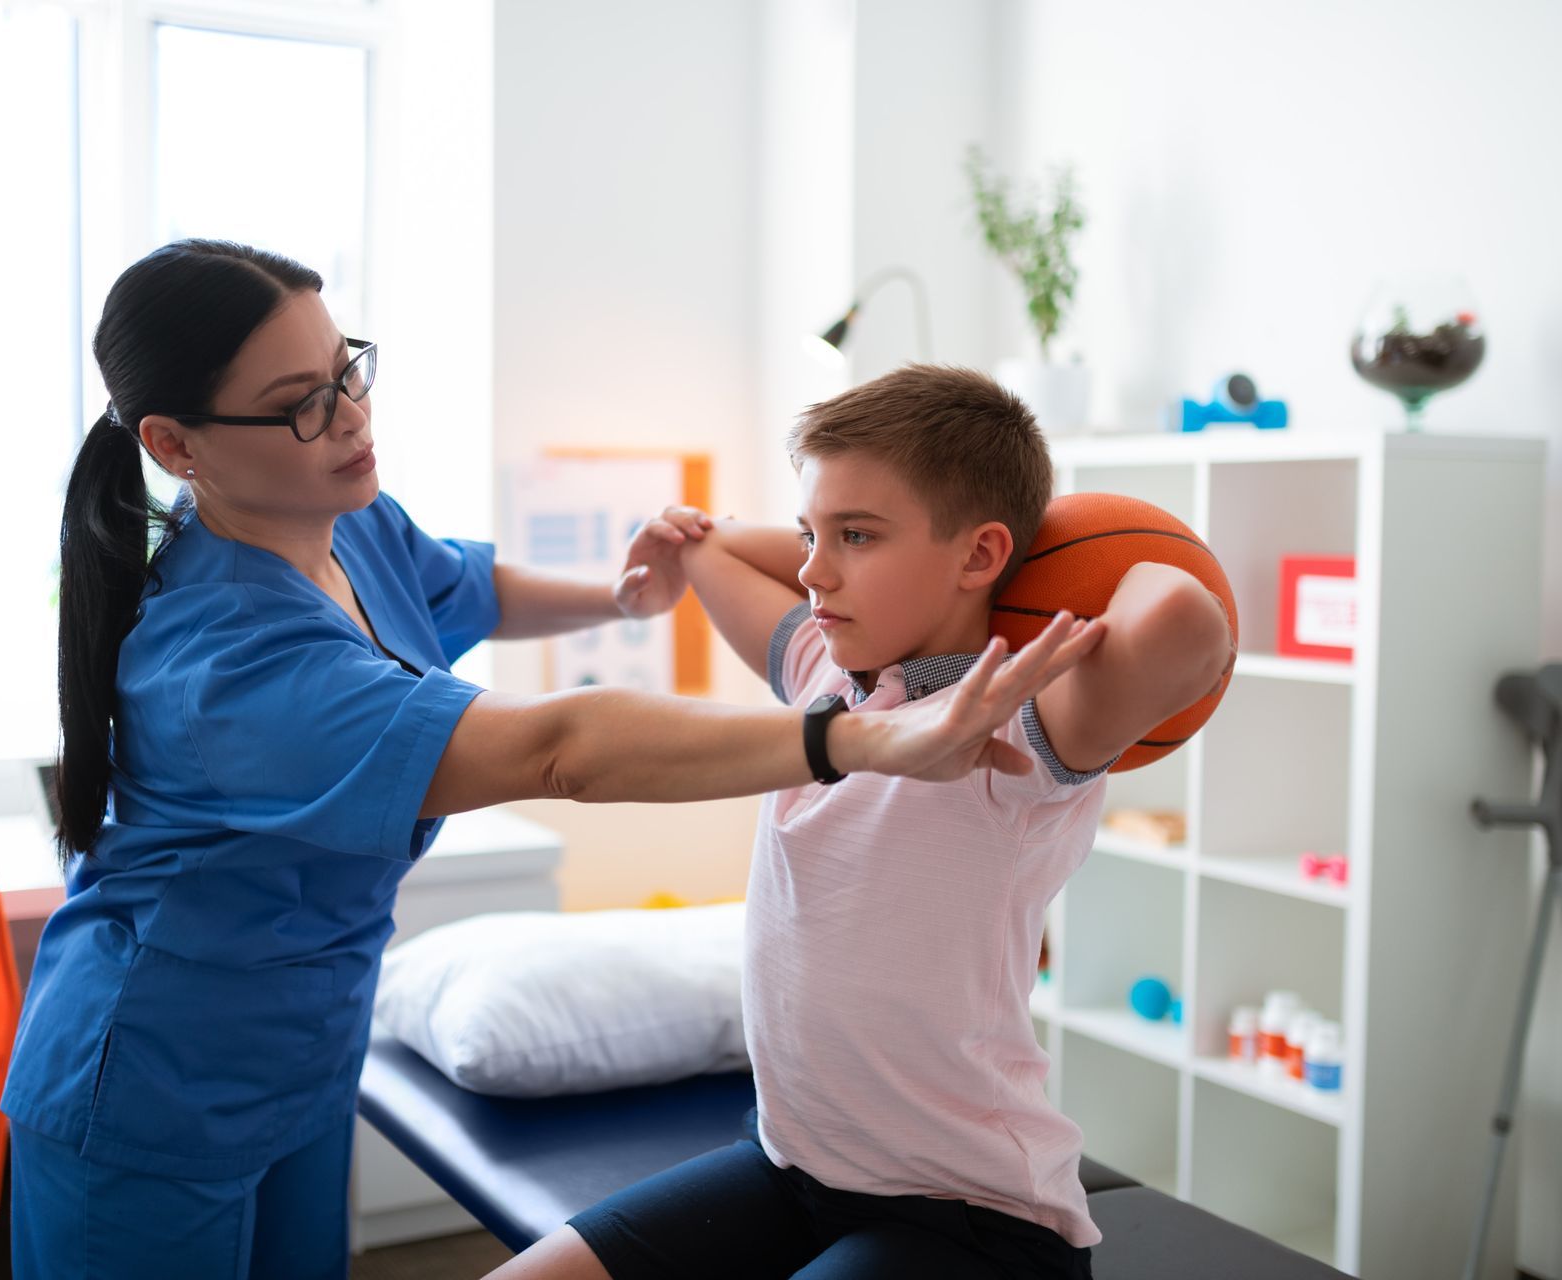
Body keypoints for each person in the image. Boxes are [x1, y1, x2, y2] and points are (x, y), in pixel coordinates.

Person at [0, 243, 1102, 1280]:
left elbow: (467, 584)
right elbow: (558, 747)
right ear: (175, 446)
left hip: (297, 1059)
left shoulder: (344, 519)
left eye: (348, 371)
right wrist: (853, 738)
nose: (351, 418)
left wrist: (621, 595)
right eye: (301, 407)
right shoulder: (228, 661)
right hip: (150, 1081)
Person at [491, 365, 1233, 1280]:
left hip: (969, 1218)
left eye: (856, 536)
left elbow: (1188, 620)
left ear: (979, 555)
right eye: (810, 532)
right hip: (790, 1168)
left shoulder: (1018, 724)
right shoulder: (824, 682)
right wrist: (706, 532)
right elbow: (715, 555)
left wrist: (1066, 549)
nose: (812, 569)